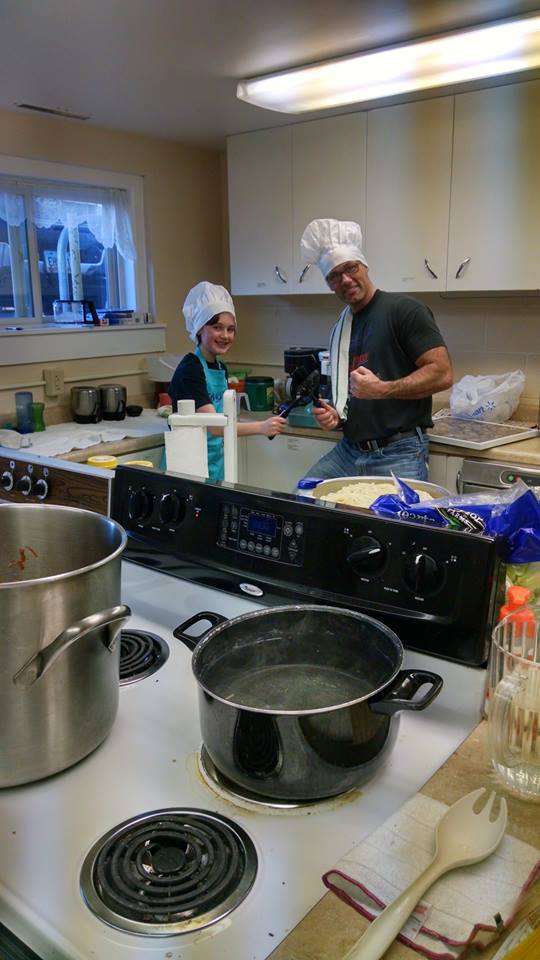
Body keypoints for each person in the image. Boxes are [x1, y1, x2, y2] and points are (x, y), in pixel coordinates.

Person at [299, 219, 453, 482]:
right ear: (329, 284)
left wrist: (383, 389)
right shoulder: (342, 327)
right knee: (303, 500)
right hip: (349, 452)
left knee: (391, 524)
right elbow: (354, 395)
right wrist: (336, 416)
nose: (345, 279)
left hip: (399, 452)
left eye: (350, 268)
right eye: (334, 276)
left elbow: (442, 374)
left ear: (364, 266)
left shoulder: (404, 310)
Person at [168, 281, 287, 481]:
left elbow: (223, 418)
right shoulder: (190, 368)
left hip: (215, 463)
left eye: (230, 329)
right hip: (189, 467)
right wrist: (261, 427)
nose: (225, 335)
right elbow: (214, 426)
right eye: (217, 327)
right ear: (199, 329)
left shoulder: (220, 367)